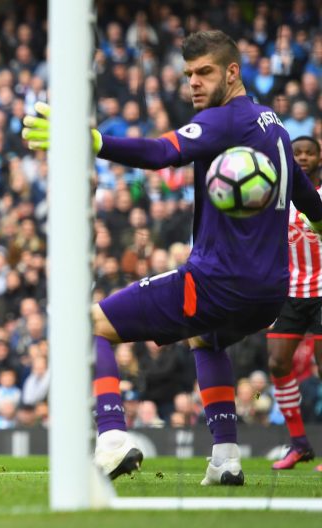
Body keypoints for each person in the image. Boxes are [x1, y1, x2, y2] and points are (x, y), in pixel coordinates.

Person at [23, 30, 322, 485]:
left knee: (89, 324)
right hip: (269, 294)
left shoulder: (226, 122)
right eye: (188, 75)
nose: (194, 83)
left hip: (217, 282)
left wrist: (92, 141)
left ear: (232, 72)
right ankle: (225, 457)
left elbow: (163, 153)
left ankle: (111, 439)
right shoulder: (275, 128)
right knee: (206, 341)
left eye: (204, 72)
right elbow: (311, 205)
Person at [265, 136, 322, 472]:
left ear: (319, 157)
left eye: (308, 153)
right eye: (296, 153)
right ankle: (299, 445)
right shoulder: (278, 197)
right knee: (277, 364)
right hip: (292, 293)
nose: (302, 157)